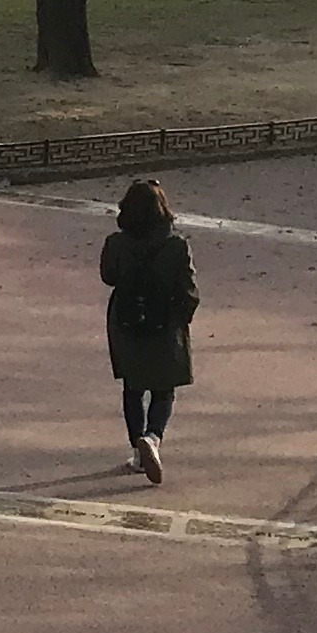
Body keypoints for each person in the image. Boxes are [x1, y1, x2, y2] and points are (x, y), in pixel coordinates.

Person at [101, 178, 199, 483]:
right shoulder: (176, 246)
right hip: (164, 323)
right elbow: (189, 291)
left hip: (126, 323)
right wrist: (181, 319)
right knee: (163, 389)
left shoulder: (116, 243)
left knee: (132, 388)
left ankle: (137, 451)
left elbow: (108, 276)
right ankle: (153, 437)